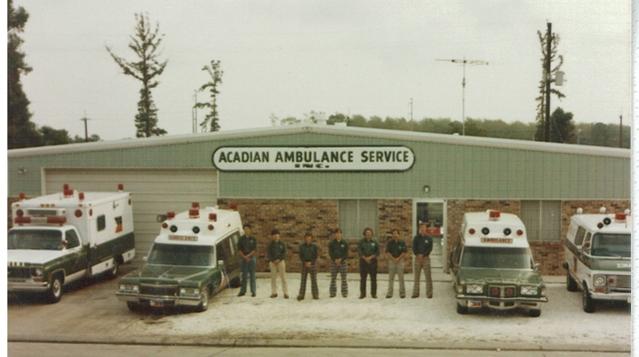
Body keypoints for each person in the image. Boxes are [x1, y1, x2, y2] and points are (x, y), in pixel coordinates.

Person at [412, 222, 433, 298]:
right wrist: (417, 254)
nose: (422, 229)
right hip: (417, 259)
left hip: (426, 259)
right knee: (416, 277)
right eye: (421, 228)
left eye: (424, 228)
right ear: (419, 229)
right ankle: (415, 293)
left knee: (428, 277)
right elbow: (414, 248)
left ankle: (429, 293)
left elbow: (430, 248)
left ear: (426, 229)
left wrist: (423, 255)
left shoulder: (429, 238)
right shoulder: (416, 238)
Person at [358, 227, 379, 299]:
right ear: (364, 234)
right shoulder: (361, 242)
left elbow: (377, 252)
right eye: (367, 234)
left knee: (373, 279)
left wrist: (370, 257)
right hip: (363, 262)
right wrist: (365, 258)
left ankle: (374, 294)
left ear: (372, 234)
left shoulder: (375, 242)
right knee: (363, 279)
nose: (368, 235)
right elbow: (359, 251)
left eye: (370, 234)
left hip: (373, 262)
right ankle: (362, 294)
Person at [267, 229, 288, 299]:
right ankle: (274, 292)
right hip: (272, 263)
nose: (276, 236)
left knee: (283, 277)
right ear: (272, 236)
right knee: (273, 278)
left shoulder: (282, 244)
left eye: (277, 235)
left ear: (279, 236)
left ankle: (285, 293)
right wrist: (273, 260)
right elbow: (269, 254)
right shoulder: (270, 245)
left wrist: (279, 259)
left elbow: (284, 253)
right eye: (274, 235)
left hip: (281, 261)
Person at [385, 229, 407, 298]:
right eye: (393, 234)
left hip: (400, 261)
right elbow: (387, 252)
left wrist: (398, 259)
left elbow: (404, 252)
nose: (395, 235)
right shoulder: (389, 243)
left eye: (396, 234)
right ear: (392, 235)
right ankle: (389, 293)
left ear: (398, 234)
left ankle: (402, 293)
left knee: (401, 278)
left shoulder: (402, 242)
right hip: (392, 261)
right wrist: (393, 259)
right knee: (391, 278)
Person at [297, 232, 319, 301]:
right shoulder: (301, 247)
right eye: (307, 238)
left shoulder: (314, 247)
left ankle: (315, 294)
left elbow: (316, 256)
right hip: (304, 264)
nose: (308, 240)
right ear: (304, 239)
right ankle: (301, 294)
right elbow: (300, 256)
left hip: (312, 264)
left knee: (314, 280)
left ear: (311, 239)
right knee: (303, 280)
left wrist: (311, 262)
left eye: (309, 239)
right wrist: (305, 262)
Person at [238, 224, 257, 297]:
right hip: (243, 259)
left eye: (247, 229)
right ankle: (243, 291)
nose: (246, 230)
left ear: (250, 230)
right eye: (245, 229)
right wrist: (244, 257)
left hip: (251, 258)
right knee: (244, 275)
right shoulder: (241, 239)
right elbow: (239, 250)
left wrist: (248, 256)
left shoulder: (253, 239)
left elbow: (254, 250)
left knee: (252, 275)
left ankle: (253, 291)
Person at [328, 228, 348, 298]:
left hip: (343, 263)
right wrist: (335, 260)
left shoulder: (344, 243)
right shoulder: (331, 243)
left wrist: (341, 260)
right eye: (337, 233)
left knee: (344, 279)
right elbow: (330, 253)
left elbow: (346, 254)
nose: (338, 235)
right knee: (333, 278)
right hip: (334, 263)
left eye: (339, 233)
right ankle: (332, 293)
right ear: (334, 235)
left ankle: (344, 293)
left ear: (341, 234)